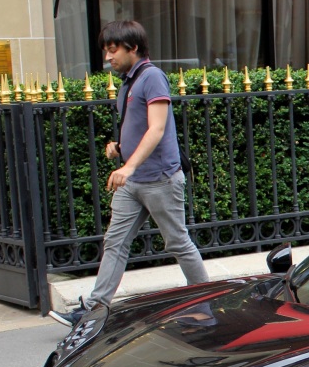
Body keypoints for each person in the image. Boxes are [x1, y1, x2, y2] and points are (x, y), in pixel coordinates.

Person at [51, 20, 209, 328]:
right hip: (133, 182)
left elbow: (158, 128)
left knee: (178, 242)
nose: (108, 57)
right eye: (106, 51)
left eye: (113, 50)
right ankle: (94, 312)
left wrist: (128, 166)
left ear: (132, 48)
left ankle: (206, 302)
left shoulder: (152, 78)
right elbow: (140, 130)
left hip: (160, 179)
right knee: (115, 242)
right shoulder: (128, 82)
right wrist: (121, 149)